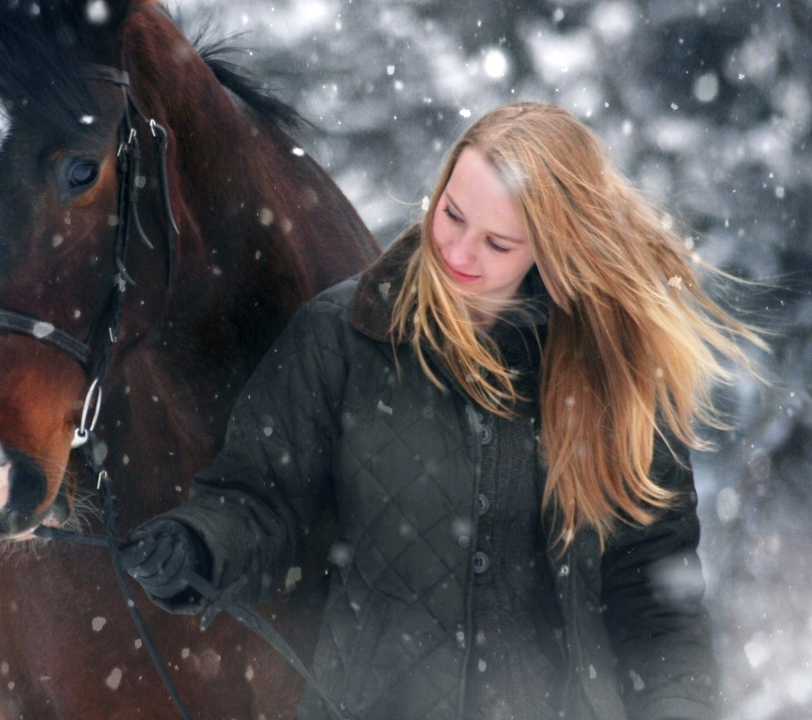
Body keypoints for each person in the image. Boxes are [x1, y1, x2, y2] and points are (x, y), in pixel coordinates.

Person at [119, 102, 760, 720]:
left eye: (498, 243)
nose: (457, 253)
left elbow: (657, 606)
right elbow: (262, 503)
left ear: (555, 252)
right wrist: (198, 545)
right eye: (451, 215)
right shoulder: (343, 336)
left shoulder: (616, 378)